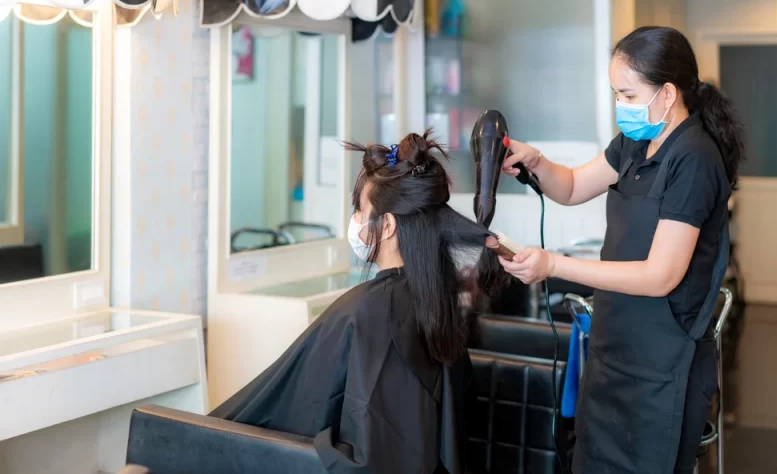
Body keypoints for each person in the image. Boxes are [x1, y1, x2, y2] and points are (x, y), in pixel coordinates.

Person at [499, 26, 745, 474]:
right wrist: (536, 162)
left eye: (628, 95)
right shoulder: (634, 144)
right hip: (615, 348)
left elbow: (660, 275)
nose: (620, 108)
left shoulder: (694, 158)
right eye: (616, 94)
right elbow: (572, 186)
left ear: (667, 93)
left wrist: (554, 264)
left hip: (663, 365)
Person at [210, 131, 508, 474]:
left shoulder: (369, 310)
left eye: (360, 209)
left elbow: (292, 412)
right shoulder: (440, 297)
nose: (355, 220)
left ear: (388, 226)